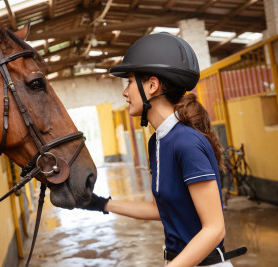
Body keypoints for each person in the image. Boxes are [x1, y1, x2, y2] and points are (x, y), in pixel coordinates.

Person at [82, 33, 246, 266]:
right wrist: (99, 203)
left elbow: (215, 229)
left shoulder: (186, 142)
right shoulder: (157, 142)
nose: (125, 92)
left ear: (152, 85)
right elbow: (161, 209)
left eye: (129, 81)